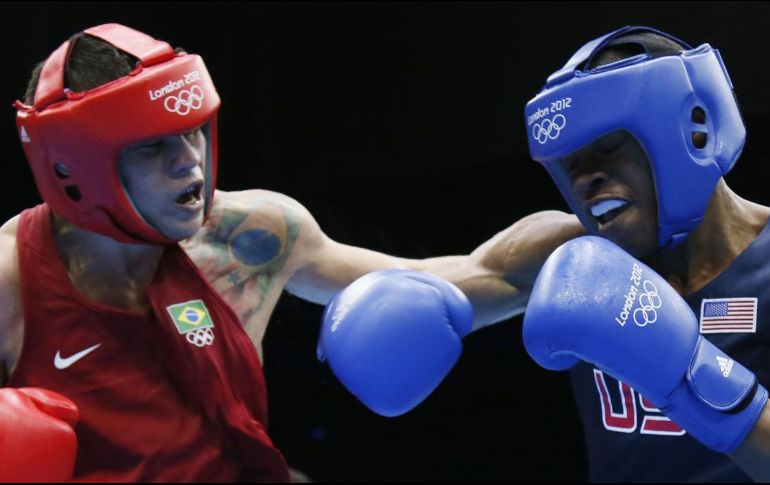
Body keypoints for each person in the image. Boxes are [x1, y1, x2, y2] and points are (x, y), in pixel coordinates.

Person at [0, 23, 568, 482]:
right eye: (153, 146)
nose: (190, 161)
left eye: (193, 130)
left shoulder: (248, 238)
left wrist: (605, 238)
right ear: (73, 169)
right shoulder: (11, 281)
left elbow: (466, 281)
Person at [513, 26, 770, 482]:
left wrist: (690, 373)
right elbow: (422, 285)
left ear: (693, 130)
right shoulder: (564, 255)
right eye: (569, 164)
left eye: (607, 146)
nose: (583, 179)